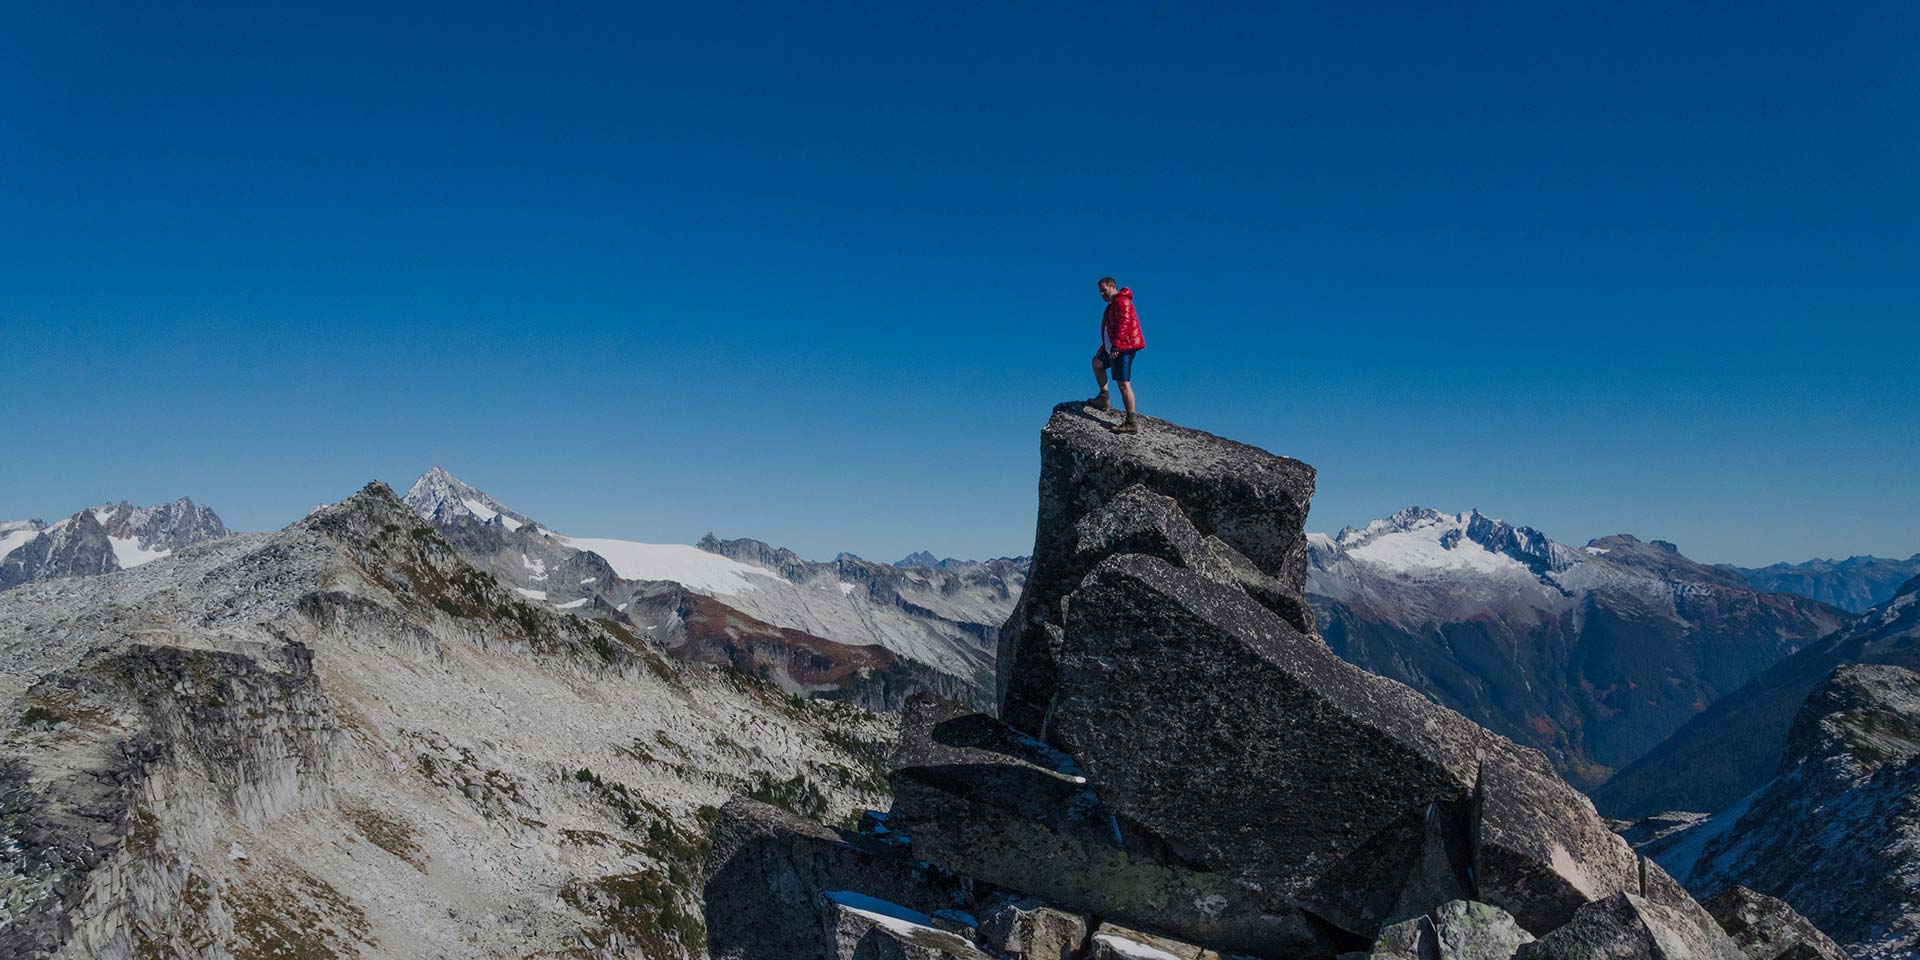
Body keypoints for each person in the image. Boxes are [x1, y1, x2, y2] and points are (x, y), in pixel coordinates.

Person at [1088, 277, 1145, 433]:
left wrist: (1117, 344)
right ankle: (1103, 397)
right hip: (1111, 347)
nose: (1102, 294)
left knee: (1123, 384)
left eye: (1104, 290)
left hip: (1123, 347)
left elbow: (1125, 323)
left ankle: (1131, 422)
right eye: (1100, 292)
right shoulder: (1111, 306)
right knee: (1097, 363)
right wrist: (1106, 347)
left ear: (1112, 286)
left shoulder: (1122, 302)